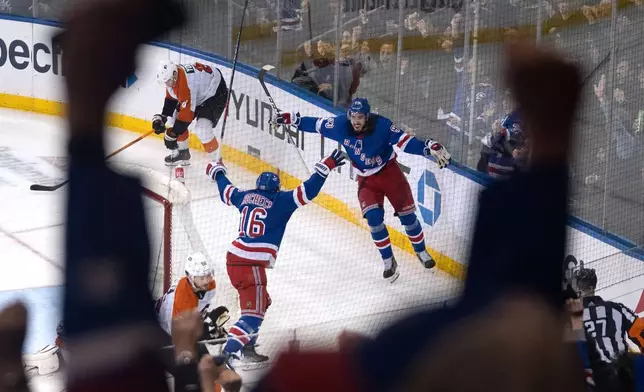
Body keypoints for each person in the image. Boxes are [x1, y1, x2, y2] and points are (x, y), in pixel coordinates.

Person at [272, 97, 452, 281]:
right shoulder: (341, 125)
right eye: (353, 116)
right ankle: (389, 261)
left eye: (360, 117)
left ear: (367, 116)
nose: (356, 121)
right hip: (367, 180)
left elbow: (405, 142)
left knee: (408, 218)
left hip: (390, 174)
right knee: (374, 220)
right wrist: (293, 120)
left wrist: (428, 148)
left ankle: (421, 252)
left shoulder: (382, 125)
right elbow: (317, 125)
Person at [206, 150, 346, 365]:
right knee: (253, 315)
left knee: (264, 302)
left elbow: (227, 191)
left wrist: (217, 172)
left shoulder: (245, 196)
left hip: (234, 258)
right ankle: (228, 355)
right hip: (249, 263)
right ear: (276, 188)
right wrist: (325, 167)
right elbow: (307, 191)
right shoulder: (281, 200)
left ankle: (248, 347)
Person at [152, 60, 228, 166]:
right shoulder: (172, 78)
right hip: (199, 92)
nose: (167, 84)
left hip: (215, 92)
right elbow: (171, 99)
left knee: (202, 129)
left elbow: (187, 116)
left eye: (168, 81)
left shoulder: (186, 84)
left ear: (174, 74)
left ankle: (218, 164)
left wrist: (173, 134)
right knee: (174, 118)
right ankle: (183, 153)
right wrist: (163, 117)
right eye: (165, 82)